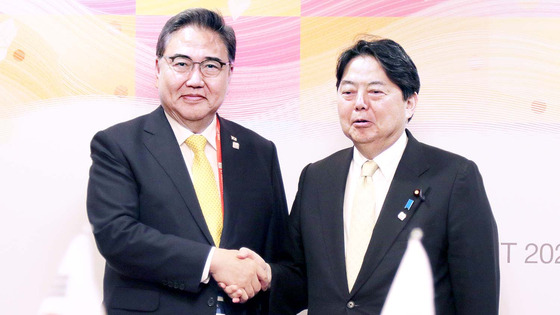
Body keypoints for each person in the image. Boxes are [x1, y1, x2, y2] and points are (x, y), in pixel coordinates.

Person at [228, 37, 500, 314]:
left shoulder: (454, 178)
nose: (359, 104)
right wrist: (267, 275)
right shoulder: (316, 178)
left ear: (410, 103)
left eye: (375, 92)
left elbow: (477, 298)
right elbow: (300, 279)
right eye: (348, 93)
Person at [86, 8, 288, 314]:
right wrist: (214, 261)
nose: (195, 80)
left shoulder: (259, 152)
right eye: (181, 64)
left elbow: (280, 255)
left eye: (211, 66)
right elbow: (118, 237)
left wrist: (262, 275)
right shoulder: (118, 145)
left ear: (229, 73)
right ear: (158, 68)